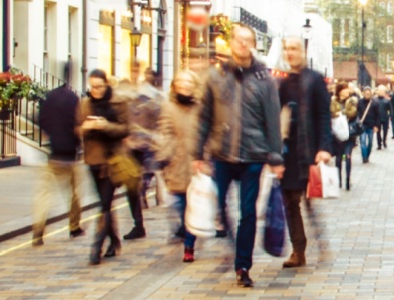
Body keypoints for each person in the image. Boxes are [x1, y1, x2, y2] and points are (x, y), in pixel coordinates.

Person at [193, 24, 284, 288]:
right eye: (239, 40)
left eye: (248, 40)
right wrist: (197, 153)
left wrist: (275, 157)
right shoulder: (216, 75)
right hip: (222, 153)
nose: (243, 45)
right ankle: (231, 242)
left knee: (248, 212)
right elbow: (204, 117)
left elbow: (273, 120)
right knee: (217, 205)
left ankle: (242, 264)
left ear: (253, 44)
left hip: (254, 156)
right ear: (231, 43)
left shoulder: (264, 78)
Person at [277, 37, 334, 268]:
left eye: (294, 48)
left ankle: (321, 241)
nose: (290, 53)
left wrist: (324, 147)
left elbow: (323, 115)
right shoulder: (282, 82)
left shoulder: (315, 79)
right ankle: (298, 250)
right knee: (290, 202)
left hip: (309, 149)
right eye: (287, 49)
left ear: (303, 51)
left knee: (311, 200)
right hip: (289, 152)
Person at [79, 69, 140, 265]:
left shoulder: (119, 102)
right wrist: (84, 129)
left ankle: (96, 248)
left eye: (99, 86)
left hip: (112, 161)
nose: (95, 91)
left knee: (104, 204)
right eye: (92, 87)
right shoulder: (84, 104)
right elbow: (77, 128)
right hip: (93, 162)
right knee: (105, 204)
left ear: (106, 85)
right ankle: (114, 241)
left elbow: (126, 128)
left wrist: (105, 126)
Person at [32, 61, 88, 246]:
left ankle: (38, 231)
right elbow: (78, 124)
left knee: (45, 195)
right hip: (69, 154)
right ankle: (74, 227)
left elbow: (41, 120)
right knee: (73, 194)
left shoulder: (50, 97)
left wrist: (53, 135)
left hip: (53, 153)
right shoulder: (73, 98)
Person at [155, 69, 204, 263]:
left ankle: (189, 246)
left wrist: (205, 156)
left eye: (188, 83)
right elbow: (165, 132)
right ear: (174, 86)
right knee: (180, 204)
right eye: (181, 82)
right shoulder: (168, 107)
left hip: (196, 163)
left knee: (192, 206)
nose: (184, 86)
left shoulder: (201, 107)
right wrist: (164, 156)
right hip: (176, 162)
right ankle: (185, 231)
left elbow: (206, 133)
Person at [122, 63, 162, 240]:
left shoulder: (155, 97)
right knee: (132, 187)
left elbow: (160, 121)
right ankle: (138, 224)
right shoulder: (127, 92)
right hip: (131, 148)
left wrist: (154, 138)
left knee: (149, 178)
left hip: (148, 148)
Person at [332, 83, 359, 190]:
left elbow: (353, 113)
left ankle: (348, 179)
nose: (348, 91)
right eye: (345, 89)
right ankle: (338, 179)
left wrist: (341, 113)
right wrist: (341, 113)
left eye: (348, 89)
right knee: (338, 158)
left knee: (348, 156)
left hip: (349, 134)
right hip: (337, 133)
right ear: (340, 90)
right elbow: (331, 112)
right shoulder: (333, 101)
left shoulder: (352, 101)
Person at [357, 87, 380, 163]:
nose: (367, 95)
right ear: (363, 93)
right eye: (366, 94)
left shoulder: (375, 103)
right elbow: (357, 113)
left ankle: (367, 154)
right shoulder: (360, 102)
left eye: (369, 94)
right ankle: (364, 157)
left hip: (371, 125)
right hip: (362, 125)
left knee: (370, 143)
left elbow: (377, 115)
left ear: (371, 94)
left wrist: (376, 125)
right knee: (362, 141)